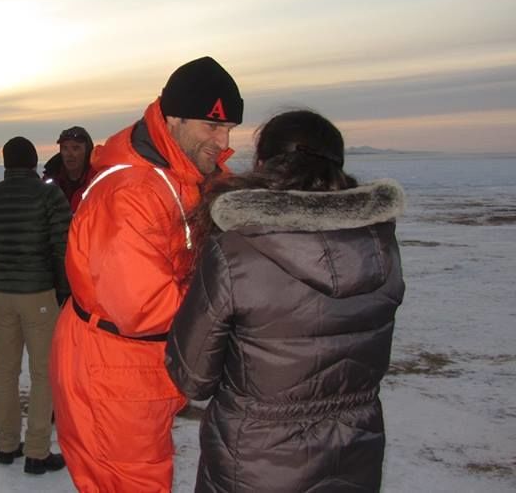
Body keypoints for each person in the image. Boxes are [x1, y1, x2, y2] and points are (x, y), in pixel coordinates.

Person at [165, 110, 406, 492]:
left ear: (262, 165)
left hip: (255, 463)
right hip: (354, 456)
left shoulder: (236, 251)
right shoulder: (380, 246)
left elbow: (191, 376)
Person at [49, 56, 243, 492]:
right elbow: (142, 305)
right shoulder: (133, 192)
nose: (224, 140)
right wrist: (234, 306)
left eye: (229, 128)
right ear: (173, 119)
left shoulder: (184, 174)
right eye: (212, 126)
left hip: (138, 365)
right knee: (133, 482)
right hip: (113, 367)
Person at [0, 136, 71, 475]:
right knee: (43, 374)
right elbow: (63, 246)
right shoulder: (49, 195)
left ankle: (7, 445)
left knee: (4, 371)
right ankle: (36, 451)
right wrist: (64, 289)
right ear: (34, 162)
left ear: (6, 164)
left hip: (3, 297)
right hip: (38, 296)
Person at [42, 126, 95, 211]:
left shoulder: (99, 180)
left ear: (87, 151)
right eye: (64, 148)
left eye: (75, 148)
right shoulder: (49, 180)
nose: (69, 154)